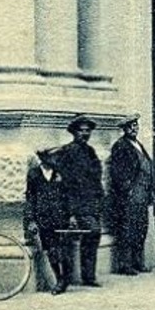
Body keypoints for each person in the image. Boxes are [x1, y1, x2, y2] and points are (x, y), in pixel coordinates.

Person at [56, 115, 105, 286]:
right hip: (76, 204)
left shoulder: (90, 151)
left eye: (87, 131)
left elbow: (96, 176)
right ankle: (67, 279)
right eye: (81, 130)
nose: (85, 134)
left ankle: (88, 276)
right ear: (74, 132)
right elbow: (66, 184)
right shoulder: (68, 151)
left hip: (92, 202)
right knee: (90, 232)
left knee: (92, 237)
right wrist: (71, 212)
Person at [108, 115, 155, 275]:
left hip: (143, 193)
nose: (134, 128)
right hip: (130, 194)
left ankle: (138, 262)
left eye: (135, 125)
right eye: (130, 126)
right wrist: (128, 190)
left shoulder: (138, 144)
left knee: (141, 228)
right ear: (124, 129)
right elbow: (117, 173)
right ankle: (125, 265)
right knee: (127, 229)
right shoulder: (120, 146)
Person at [24, 147, 71, 294]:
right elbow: (30, 198)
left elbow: (70, 196)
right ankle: (59, 279)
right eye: (53, 157)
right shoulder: (34, 174)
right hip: (44, 219)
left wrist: (72, 216)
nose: (57, 159)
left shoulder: (62, 173)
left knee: (63, 249)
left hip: (61, 218)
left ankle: (65, 279)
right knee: (51, 250)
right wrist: (31, 220)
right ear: (44, 158)